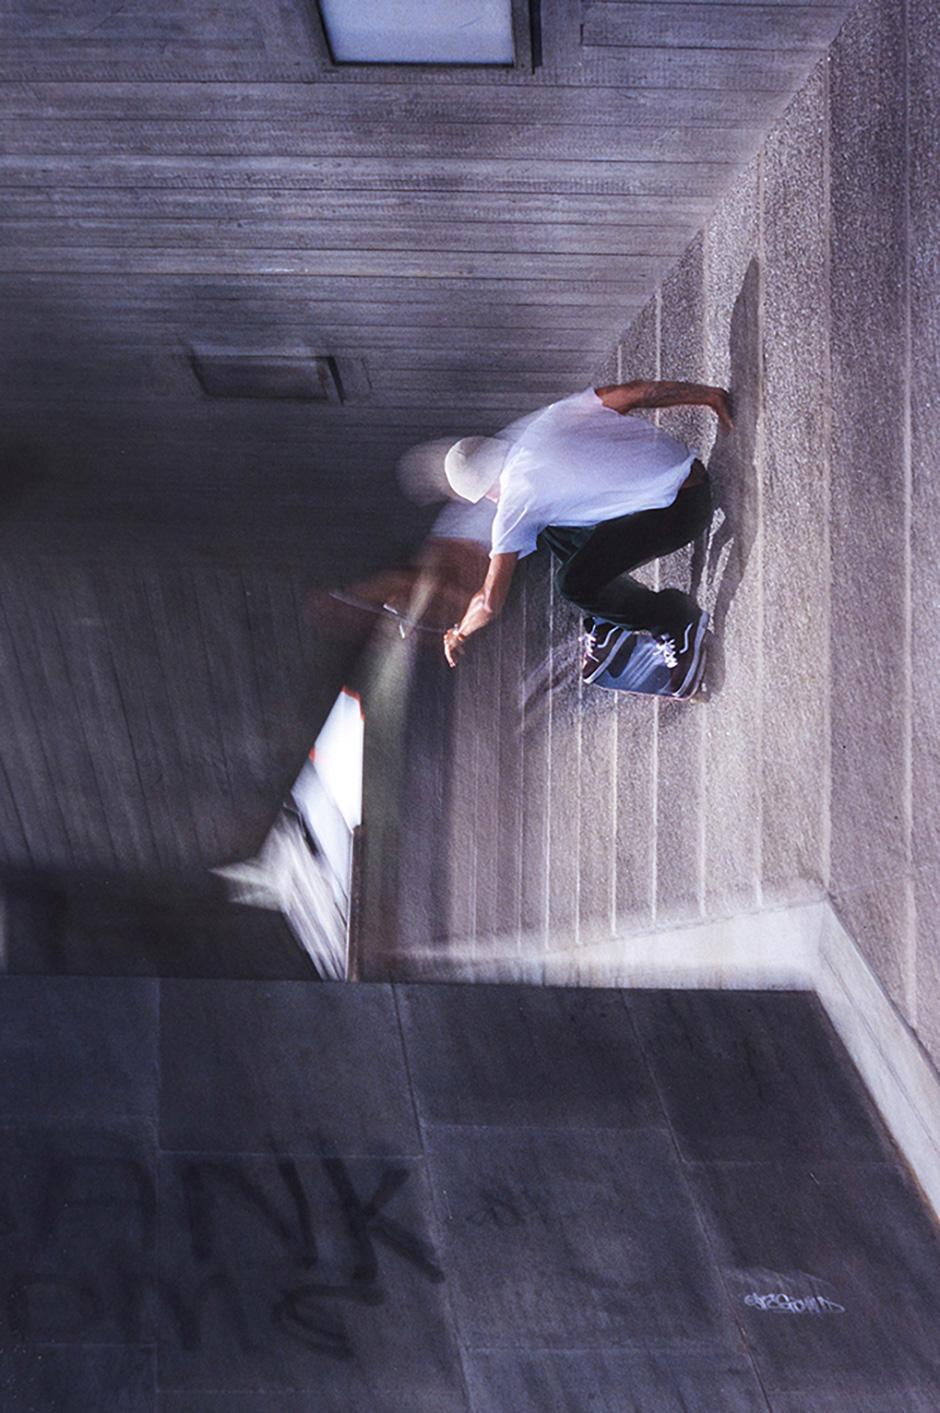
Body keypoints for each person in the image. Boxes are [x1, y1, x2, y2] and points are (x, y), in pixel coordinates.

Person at [441, 380, 733, 695]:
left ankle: (677, 621)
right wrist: (707, 395)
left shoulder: (514, 500)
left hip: (683, 513)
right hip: (689, 473)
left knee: (573, 583)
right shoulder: (546, 423)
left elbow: (488, 602)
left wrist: (459, 633)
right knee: (545, 523)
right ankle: (608, 620)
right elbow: (634, 393)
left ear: (484, 491)